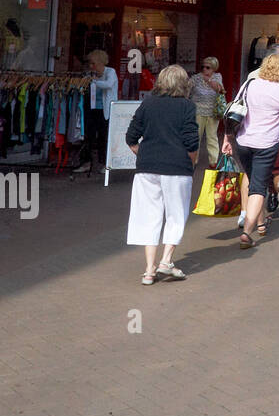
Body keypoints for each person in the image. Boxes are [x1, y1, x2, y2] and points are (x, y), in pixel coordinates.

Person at [125, 65, 200, 285]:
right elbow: (191, 141)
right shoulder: (187, 106)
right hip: (177, 167)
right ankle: (166, 260)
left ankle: (149, 270)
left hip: (147, 168)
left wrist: (145, 154)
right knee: (176, 215)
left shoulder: (148, 102)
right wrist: (191, 162)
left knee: (148, 216)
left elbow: (131, 136)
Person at [222, 53, 279, 248]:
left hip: (243, 141)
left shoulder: (249, 84)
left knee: (252, 178)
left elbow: (232, 112)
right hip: (266, 144)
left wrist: (227, 139)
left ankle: (261, 223)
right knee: (258, 187)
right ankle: (247, 231)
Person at [78, 50, 119, 174]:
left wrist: (93, 81)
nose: (91, 66)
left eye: (93, 64)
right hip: (92, 109)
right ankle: (86, 162)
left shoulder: (110, 72)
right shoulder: (91, 74)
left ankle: (105, 164)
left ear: (100, 63)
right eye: (90, 64)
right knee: (88, 136)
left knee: (104, 138)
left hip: (105, 111)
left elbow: (108, 84)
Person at [187, 56, 225, 169]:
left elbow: (219, 89)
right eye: (203, 67)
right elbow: (187, 89)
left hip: (213, 112)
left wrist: (207, 79)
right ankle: (194, 159)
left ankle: (213, 161)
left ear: (213, 68)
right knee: (196, 136)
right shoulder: (196, 78)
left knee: (212, 136)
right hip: (198, 111)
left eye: (208, 67)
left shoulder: (217, 77)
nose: (204, 69)